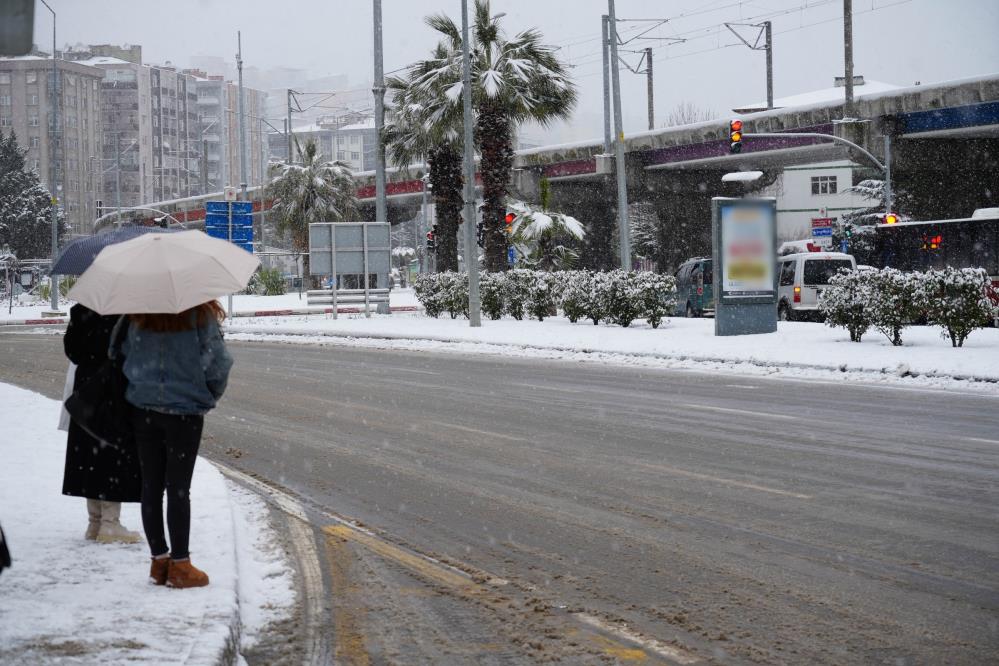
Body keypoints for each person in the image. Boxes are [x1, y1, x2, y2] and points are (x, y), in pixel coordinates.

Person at [119, 300, 232, 589]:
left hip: (143, 410)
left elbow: (118, 353)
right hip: (185, 412)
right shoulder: (198, 314)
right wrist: (207, 394)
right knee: (178, 488)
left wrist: (141, 382)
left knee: (151, 486)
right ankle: (181, 565)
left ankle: (159, 561)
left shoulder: (136, 313)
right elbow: (217, 363)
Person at [62, 304, 142, 543]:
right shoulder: (123, 312)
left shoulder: (79, 311)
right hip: (112, 387)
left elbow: (72, 352)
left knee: (88, 452)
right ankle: (110, 524)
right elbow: (129, 350)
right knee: (110, 455)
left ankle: (94, 523)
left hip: (86, 389)